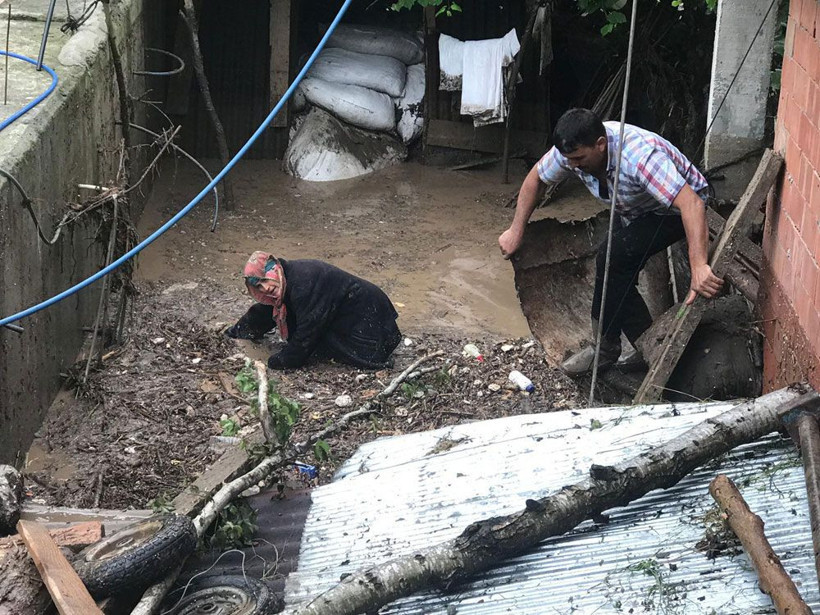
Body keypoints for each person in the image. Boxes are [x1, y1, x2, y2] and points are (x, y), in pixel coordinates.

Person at [498, 108, 723, 376]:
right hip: (634, 205)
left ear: (601, 145)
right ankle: (648, 344)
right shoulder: (570, 152)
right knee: (614, 270)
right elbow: (536, 179)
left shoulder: (639, 157)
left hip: (672, 210)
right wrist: (516, 230)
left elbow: (692, 204)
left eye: (579, 159)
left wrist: (699, 266)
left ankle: (605, 349)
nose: (573, 166)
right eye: (569, 160)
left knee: (611, 258)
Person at [226, 251, 402, 370]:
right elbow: (264, 312)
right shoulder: (285, 279)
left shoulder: (303, 283)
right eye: (259, 286)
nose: (265, 288)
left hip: (370, 322)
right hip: (357, 313)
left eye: (265, 280)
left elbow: (307, 333)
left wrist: (280, 360)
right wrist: (235, 332)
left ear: (275, 269)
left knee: (325, 347)